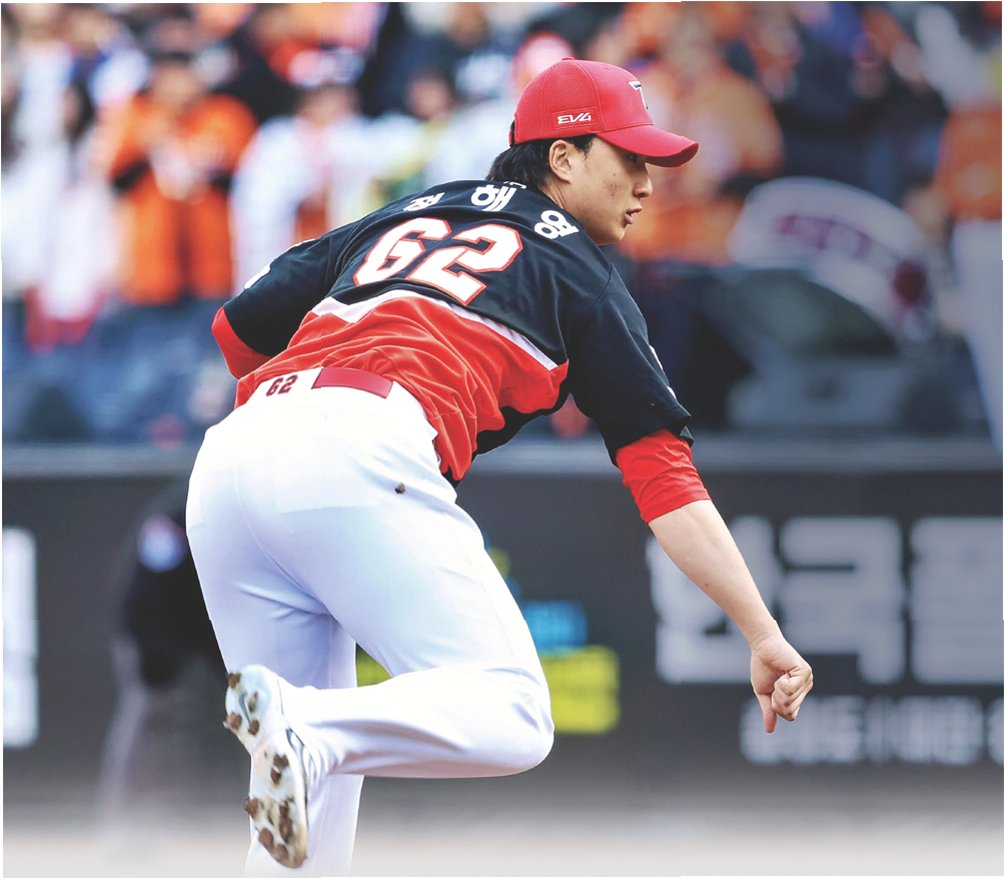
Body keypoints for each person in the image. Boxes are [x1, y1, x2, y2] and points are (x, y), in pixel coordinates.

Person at [186, 58, 813, 875]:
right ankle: (310, 724)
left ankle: (306, 728)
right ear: (563, 156)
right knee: (509, 710)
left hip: (233, 456)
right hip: (355, 444)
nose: (645, 183)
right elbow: (665, 482)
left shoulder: (410, 208)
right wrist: (761, 631)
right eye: (629, 158)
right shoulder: (580, 270)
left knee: (304, 798)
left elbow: (238, 329)